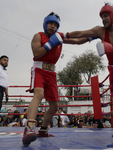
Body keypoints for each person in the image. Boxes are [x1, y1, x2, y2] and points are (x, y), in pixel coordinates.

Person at [63, 3, 113, 148]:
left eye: (105, 15)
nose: (103, 19)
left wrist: (112, 49)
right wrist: (61, 37)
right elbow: (80, 36)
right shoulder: (100, 31)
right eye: (102, 16)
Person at [22, 12, 89, 146]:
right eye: (50, 23)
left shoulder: (59, 37)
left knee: (54, 106)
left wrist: (91, 37)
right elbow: (36, 53)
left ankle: (43, 130)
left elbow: (76, 40)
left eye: (55, 24)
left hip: (51, 72)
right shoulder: (38, 36)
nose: (52, 26)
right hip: (39, 69)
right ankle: (29, 129)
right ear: (45, 24)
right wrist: (49, 44)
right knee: (39, 94)